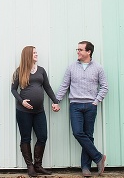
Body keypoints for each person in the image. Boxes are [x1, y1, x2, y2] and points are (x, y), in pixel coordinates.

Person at [55, 41, 109, 176]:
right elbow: (64, 86)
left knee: (89, 136)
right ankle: (98, 157)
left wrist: (96, 101)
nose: (77, 52)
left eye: (80, 49)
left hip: (91, 106)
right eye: (77, 49)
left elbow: (104, 87)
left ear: (88, 52)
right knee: (78, 132)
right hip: (75, 106)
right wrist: (57, 101)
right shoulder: (71, 67)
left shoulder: (98, 68)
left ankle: (86, 168)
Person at [11, 46, 61, 177]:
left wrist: (55, 101)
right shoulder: (19, 71)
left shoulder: (41, 70)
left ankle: (38, 165)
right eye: (34, 53)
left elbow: (47, 88)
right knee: (25, 138)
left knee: (42, 136)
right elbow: (13, 90)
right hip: (23, 111)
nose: (36, 54)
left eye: (36, 52)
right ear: (28, 55)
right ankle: (30, 166)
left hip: (39, 111)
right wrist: (22, 101)